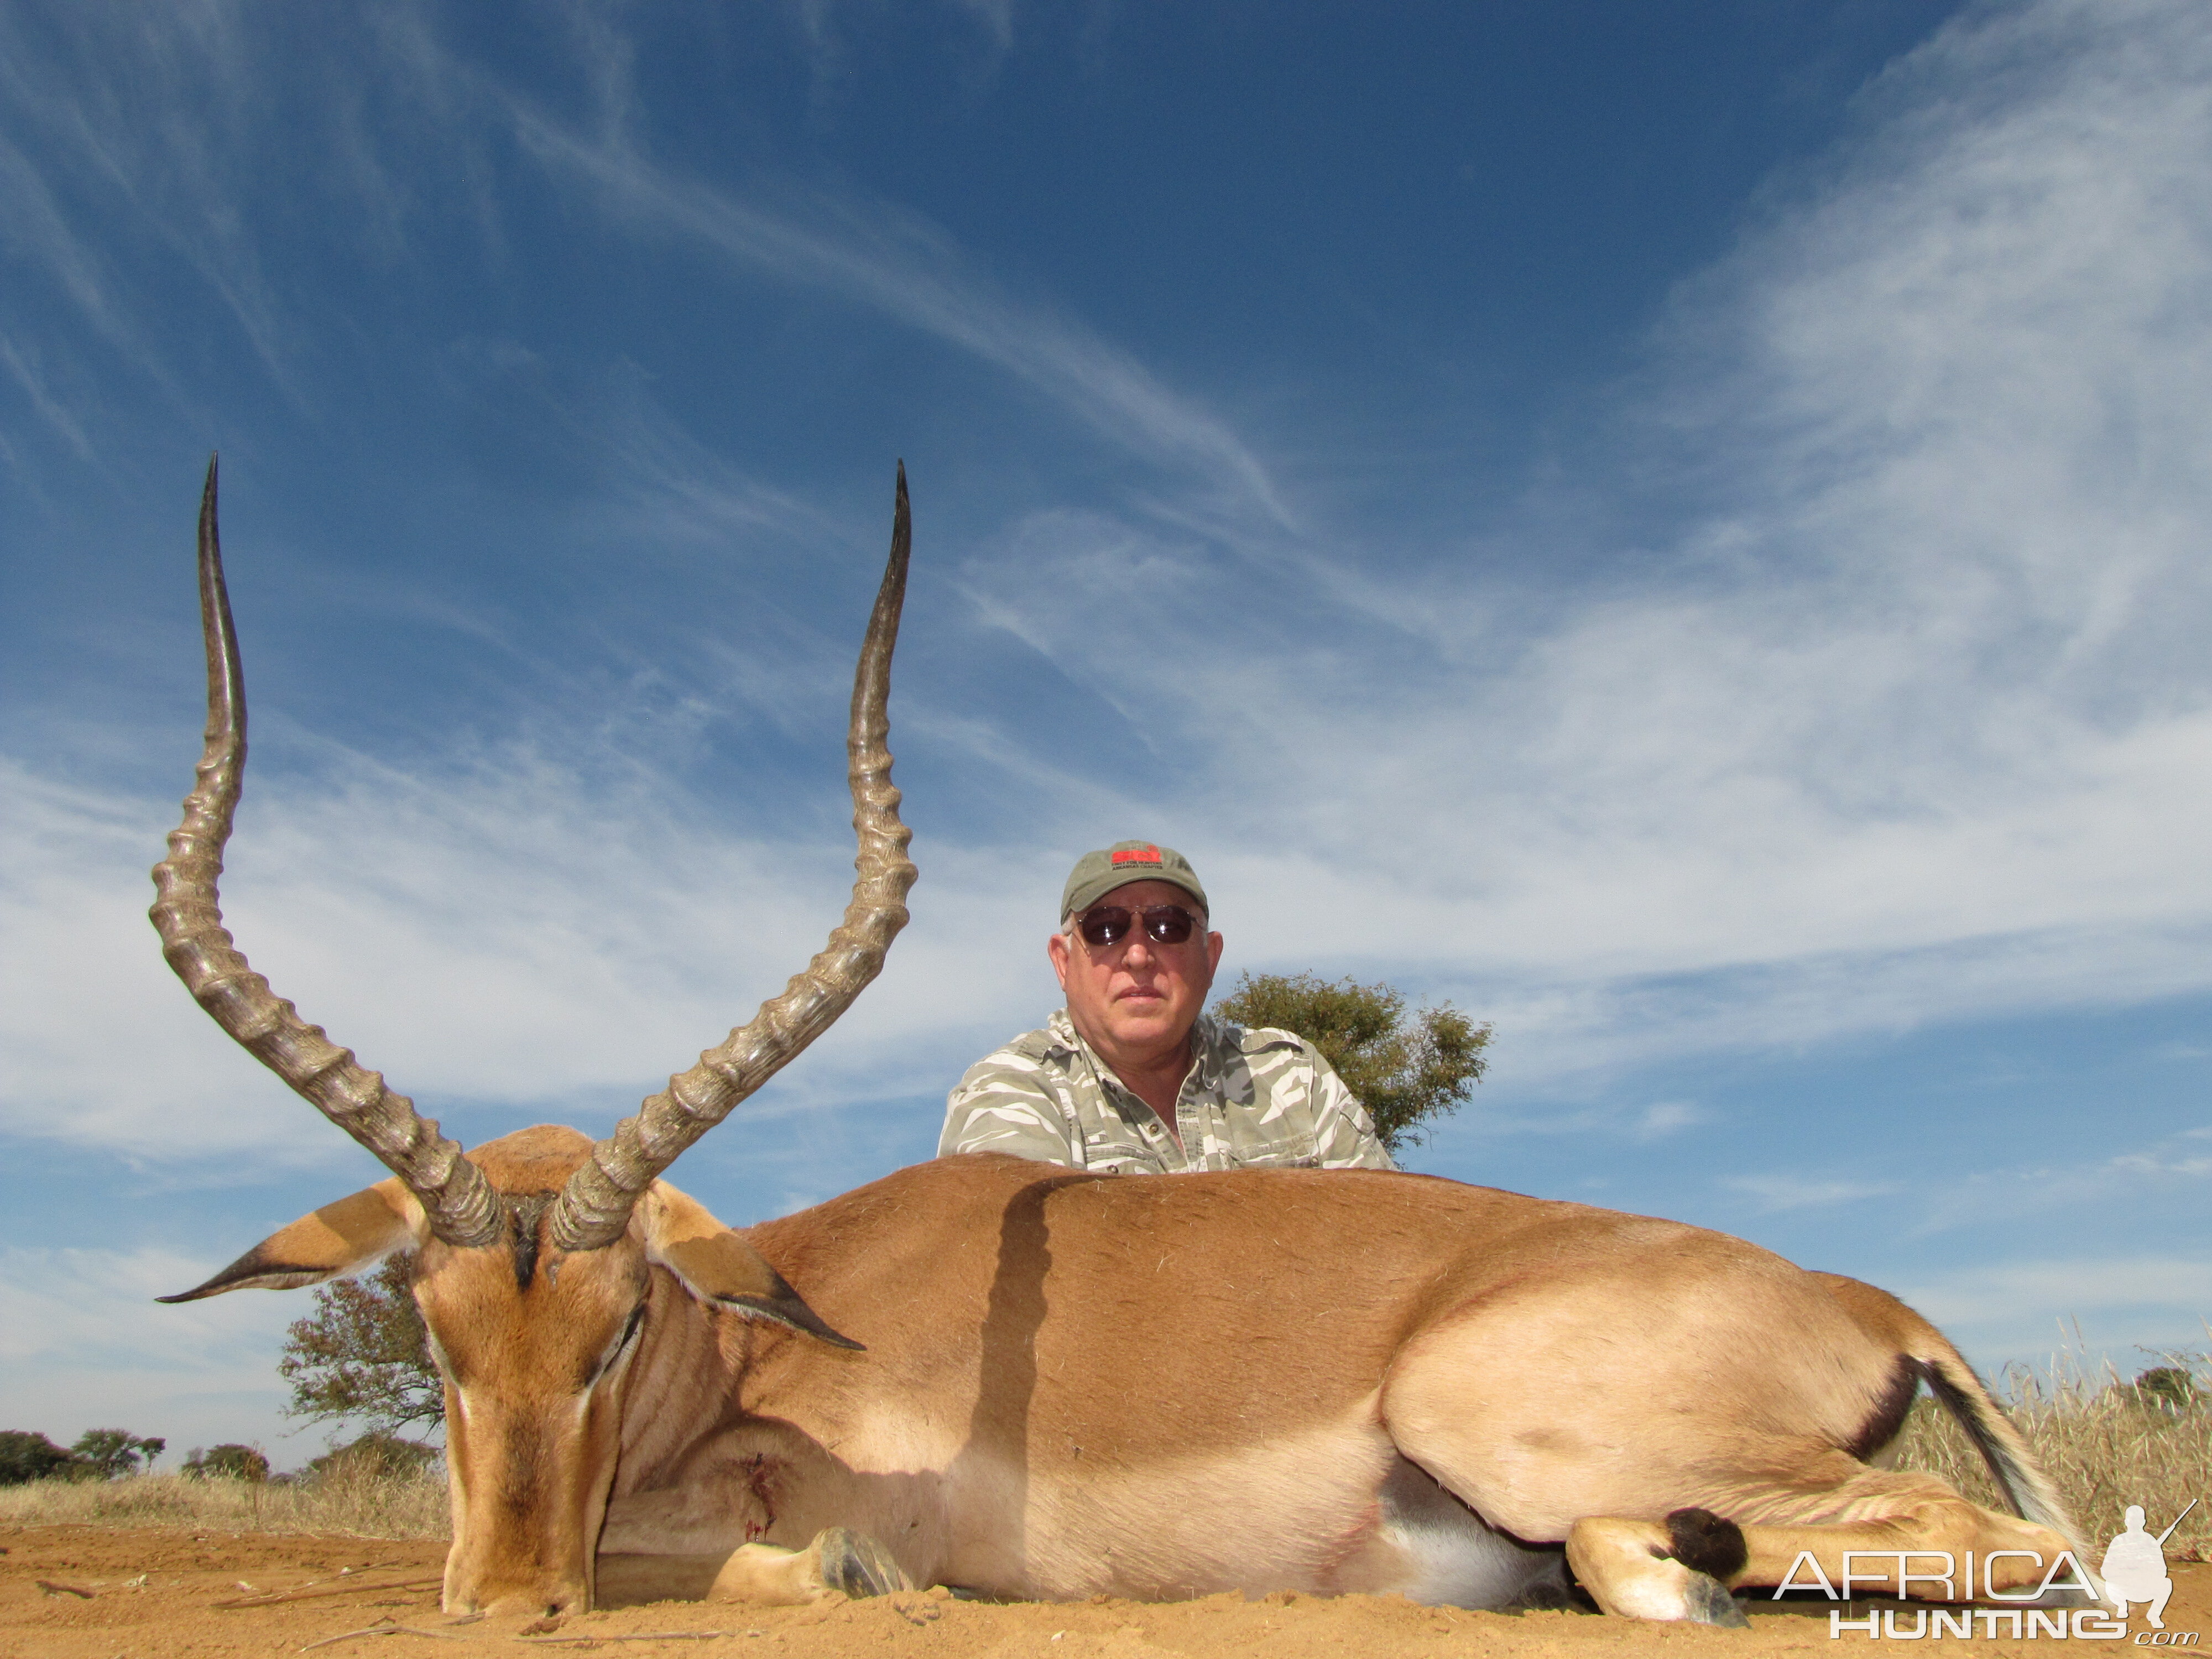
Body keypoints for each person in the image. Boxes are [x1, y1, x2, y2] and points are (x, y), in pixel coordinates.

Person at [938, 840, 1394, 1174]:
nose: (1138, 955)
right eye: (1105, 928)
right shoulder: (1012, 1090)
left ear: (1211, 957)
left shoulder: (1294, 1078)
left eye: (1168, 926)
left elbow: (1394, 1248)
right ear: (1062, 962)